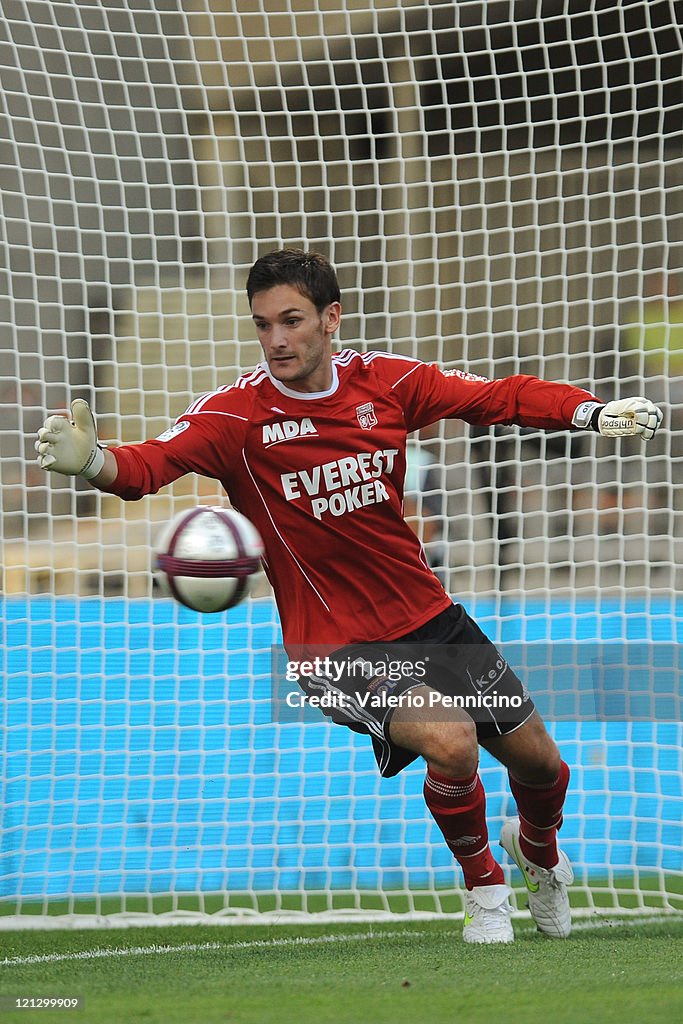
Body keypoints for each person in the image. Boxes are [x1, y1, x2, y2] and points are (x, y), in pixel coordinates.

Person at [36, 249, 663, 944]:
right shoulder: (236, 419)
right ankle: (484, 884)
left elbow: (494, 398)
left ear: (330, 319)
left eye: (292, 320)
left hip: (429, 618)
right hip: (334, 646)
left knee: (543, 765)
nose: (276, 339)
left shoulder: (386, 384)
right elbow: (147, 466)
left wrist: (588, 412)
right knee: (450, 740)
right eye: (263, 324)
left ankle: (539, 856)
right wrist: (92, 461)